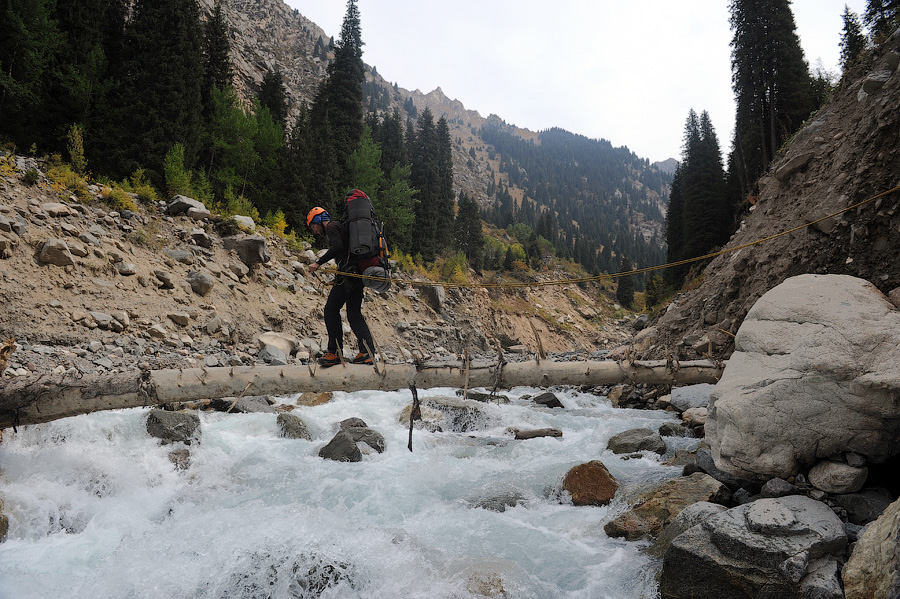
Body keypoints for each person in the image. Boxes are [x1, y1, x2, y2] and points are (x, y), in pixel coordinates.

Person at [307, 206, 377, 368]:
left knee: (331, 309)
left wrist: (318, 262)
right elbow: (344, 251)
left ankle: (335, 352)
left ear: (318, 220)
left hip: (348, 275)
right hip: (356, 275)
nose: (315, 231)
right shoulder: (341, 227)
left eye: (313, 226)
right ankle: (367, 353)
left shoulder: (331, 226)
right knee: (354, 314)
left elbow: (337, 247)